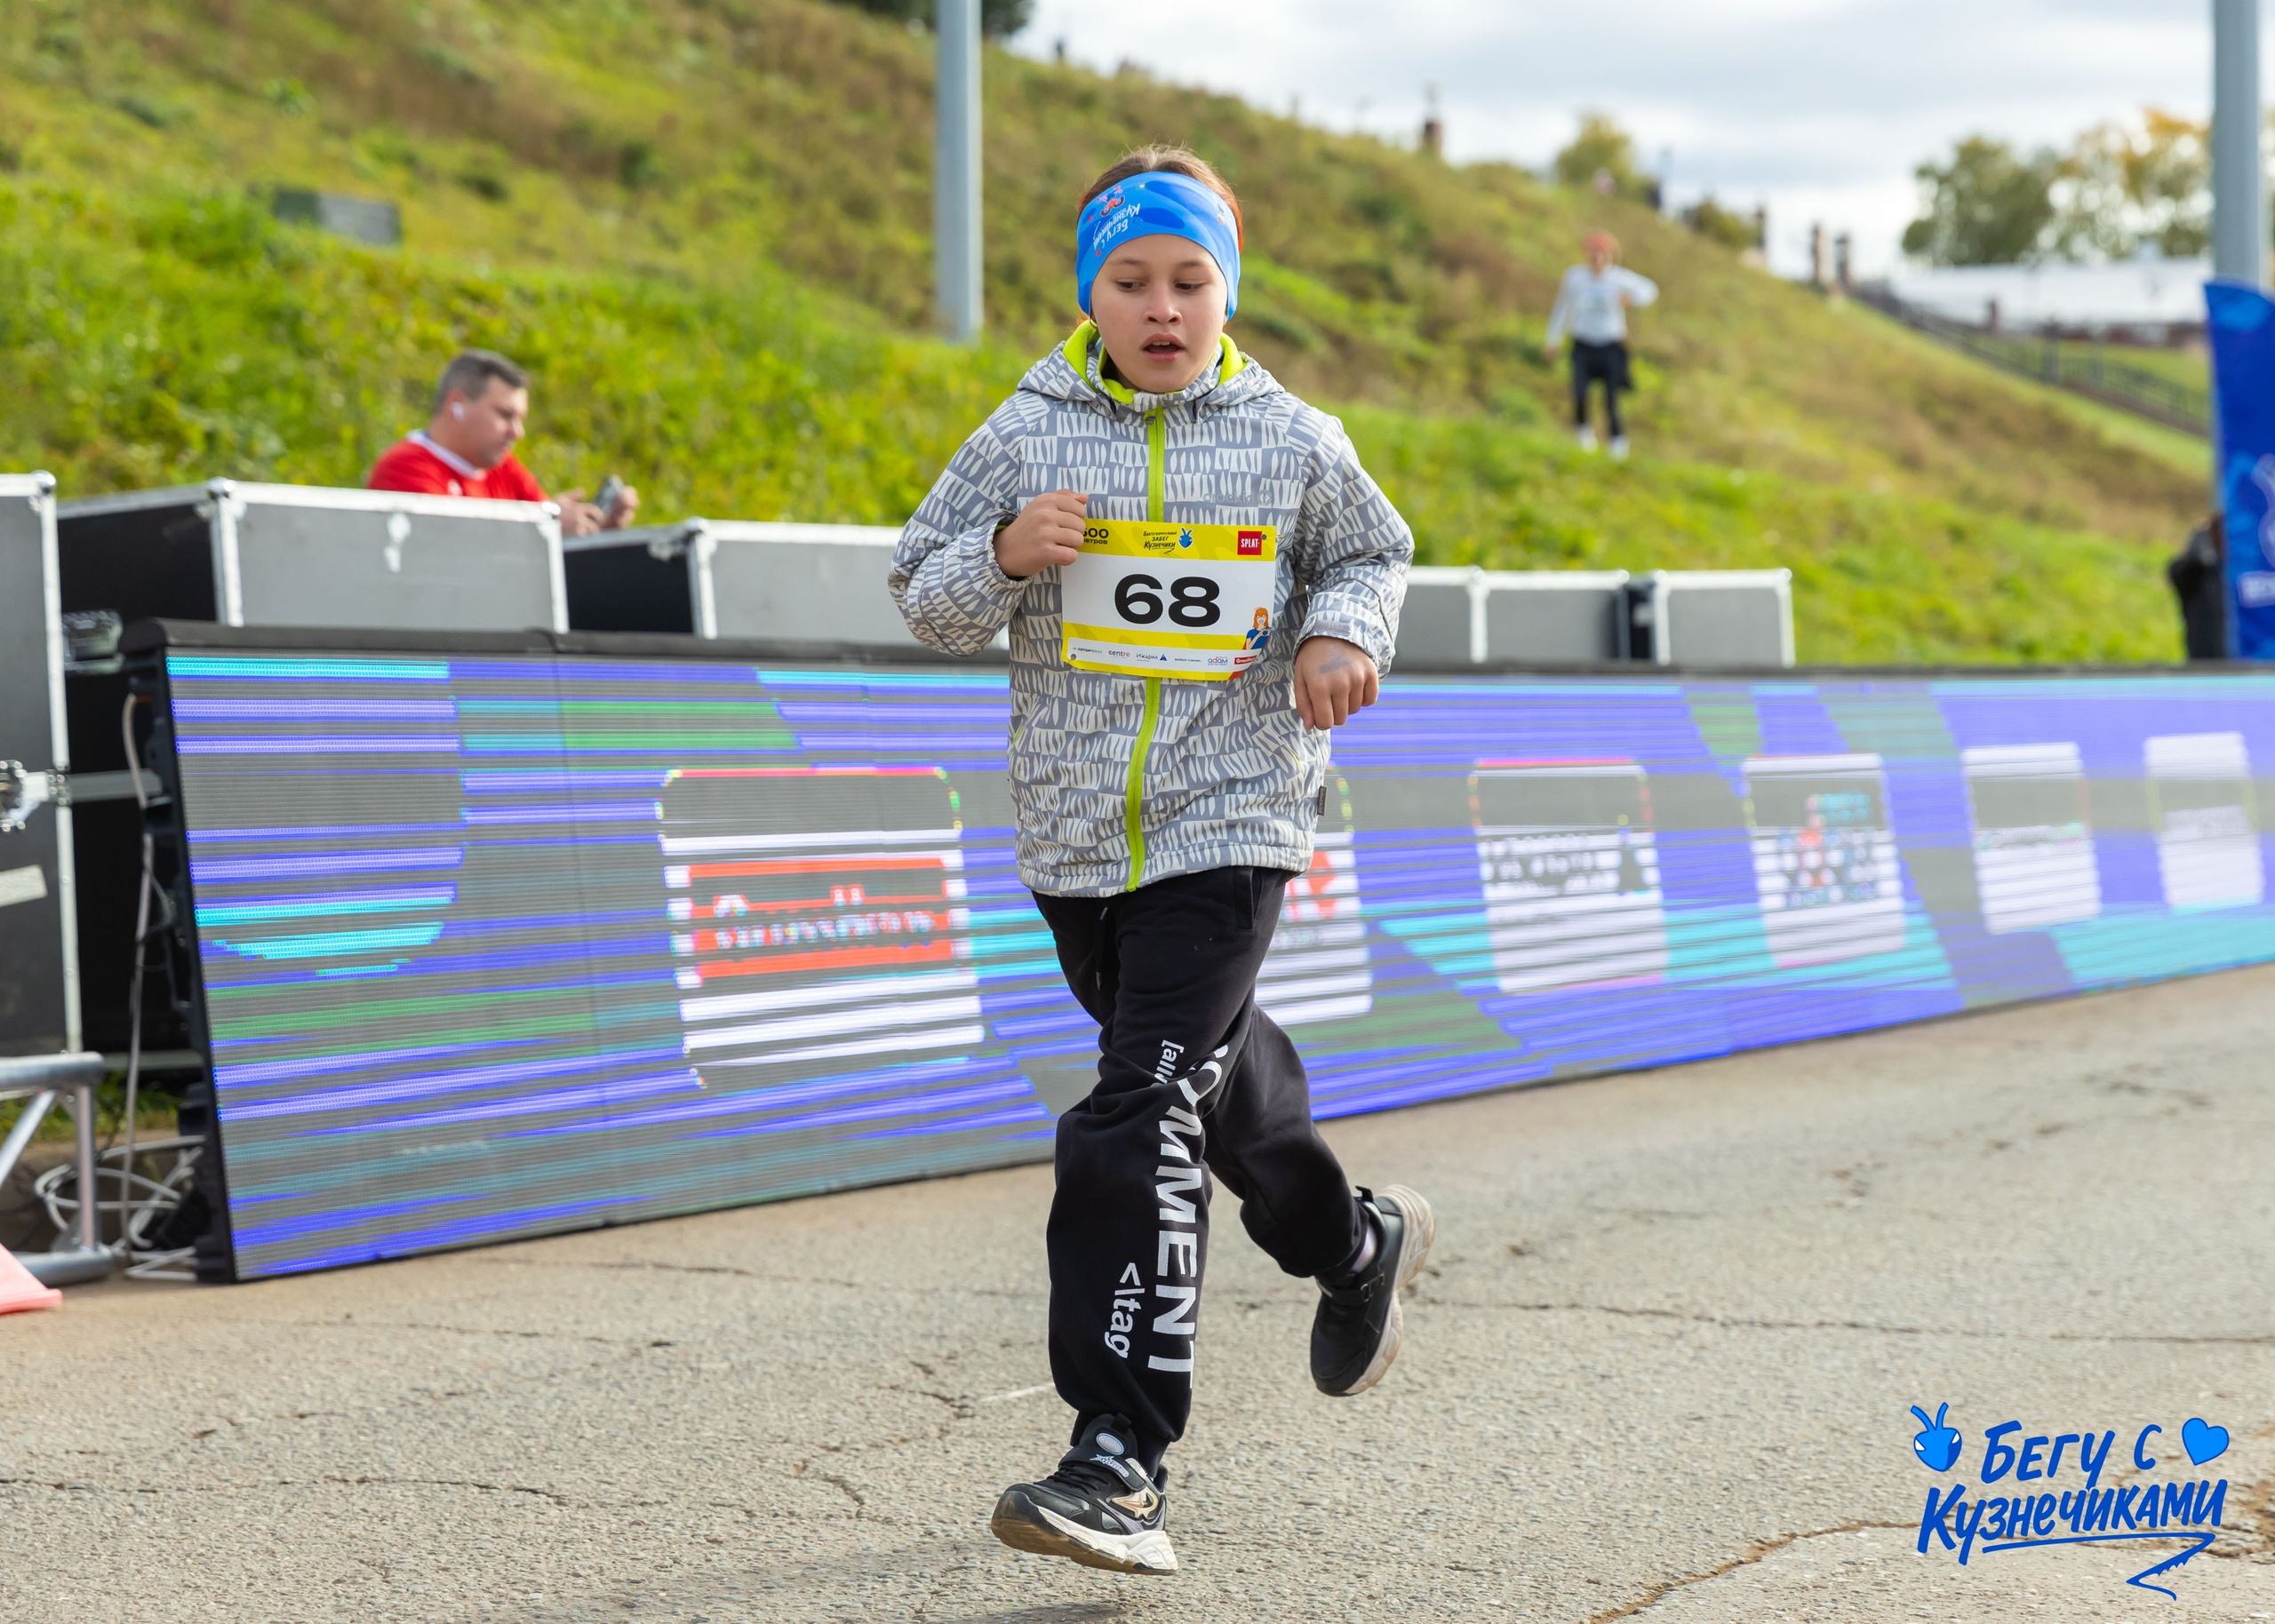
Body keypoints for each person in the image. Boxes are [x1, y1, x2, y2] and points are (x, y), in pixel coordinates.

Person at [890, 145, 1433, 1580]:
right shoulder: (1020, 429)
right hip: (1076, 838)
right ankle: (1351, 1241)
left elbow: (1373, 555)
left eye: (1190, 278)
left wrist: (1341, 636)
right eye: (1131, 279)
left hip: (1233, 817)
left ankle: (1118, 1456)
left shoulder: (1294, 436)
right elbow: (922, 596)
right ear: (1090, 295)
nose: (1163, 304)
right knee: (1205, 1079)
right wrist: (1004, 552)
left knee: (1135, 1112)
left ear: (1227, 291)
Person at [365, 349, 637, 537]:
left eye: (520, 419)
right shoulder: (404, 467)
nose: (517, 432)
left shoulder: (501, 465)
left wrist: (597, 530)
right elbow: (448, 544)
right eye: (505, 415)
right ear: (456, 405)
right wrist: (544, 524)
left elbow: (545, 537)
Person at [1543, 230, 1658, 459]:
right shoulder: (1574, 277)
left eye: (1602, 254)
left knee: (1611, 398)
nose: (1597, 258)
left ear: (1610, 256)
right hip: (1582, 343)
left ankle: (1618, 448)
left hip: (1611, 345)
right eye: (1593, 253)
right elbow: (1561, 309)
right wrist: (1552, 339)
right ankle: (1584, 442)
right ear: (1586, 254)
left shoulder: (1619, 278)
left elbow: (1650, 290)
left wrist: (1632, 299)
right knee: (1579, 393)